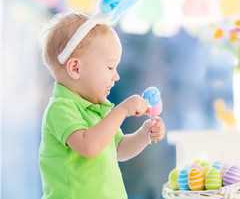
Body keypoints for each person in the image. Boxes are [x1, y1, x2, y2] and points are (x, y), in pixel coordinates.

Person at [39, 11, 165, 199]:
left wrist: (144, 134)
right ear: (75, 68)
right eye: (110, 67)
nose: (116, 76)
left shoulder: (97, 108)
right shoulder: (60, 108)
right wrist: (121, 111)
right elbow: (89, 146)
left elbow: (118, 149)